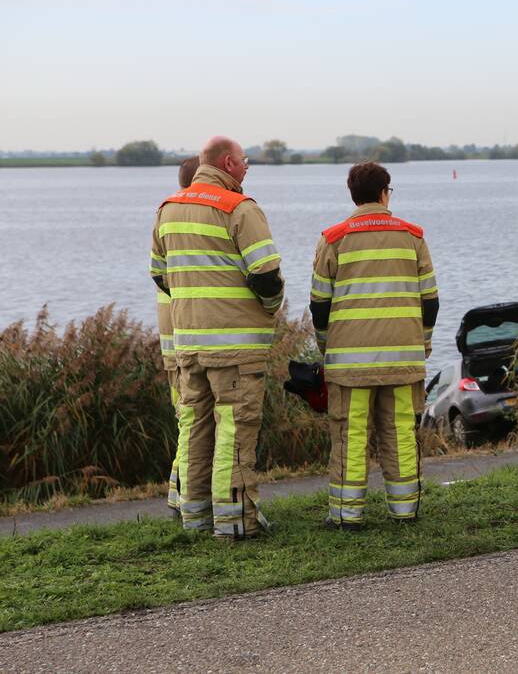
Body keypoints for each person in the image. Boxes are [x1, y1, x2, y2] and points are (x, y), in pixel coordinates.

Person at [150, 136, 284, 539]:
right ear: (228, 163)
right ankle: (235, 520)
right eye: (245, 162)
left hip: (188, 342)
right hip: (235, 345)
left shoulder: (168, 209)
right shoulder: (239, 208)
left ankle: (194, 517)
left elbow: (160, 275)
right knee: (234, 428)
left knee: (193, 428)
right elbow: (265, 274)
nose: (246, 169)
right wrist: (272, 306)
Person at [310, 162, 439, 529]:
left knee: (350, 438)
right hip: (403, 358)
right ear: (385, 192)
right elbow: (430, 301)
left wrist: (326, 347)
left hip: (349, 366)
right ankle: (404, 511)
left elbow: (319, 304)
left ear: (353, 194)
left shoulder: (333, 239)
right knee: (399, 432)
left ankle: (346, 515)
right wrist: (423, 343)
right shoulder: (412, 236)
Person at [163, 156, 200, 516]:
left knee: (187, 425)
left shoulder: (169, 221)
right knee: (192, 426)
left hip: (175, 346)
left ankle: (180, 497)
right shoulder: (189, 222)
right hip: (185, 346)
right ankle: (183, 500)